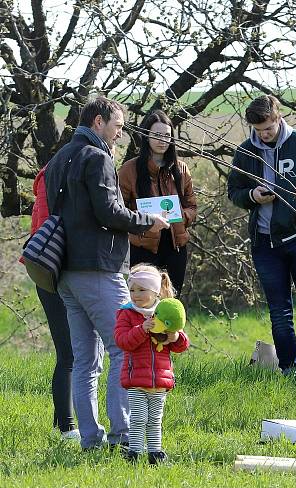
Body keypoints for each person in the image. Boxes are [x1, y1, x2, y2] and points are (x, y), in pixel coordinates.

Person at [45, 96, 170, 450]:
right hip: (98, 269)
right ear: (98, 122)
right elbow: (109, 213)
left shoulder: (58, 158)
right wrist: (149, 220)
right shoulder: (96, 157)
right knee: (123, 349)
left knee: (84, 361)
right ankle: (124, 436)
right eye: (117, 127)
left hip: (66, 272)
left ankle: (91, 440)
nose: (119, 135)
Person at [227, 95, 296, 375]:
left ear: (278, 118)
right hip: (265, 242)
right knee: (279, 312)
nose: (264, 135)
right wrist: (252, 195)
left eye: (268, 128)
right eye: (258, 130)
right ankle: (290, 369)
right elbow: (234, 192)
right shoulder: (244, 152)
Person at [20, 166, 77, 440]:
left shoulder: (54, 174)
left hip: (53, 269)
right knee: (69, 353)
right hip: (52, 269)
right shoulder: (53, 176)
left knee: (70, 353)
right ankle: (67, 427)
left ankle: (61, 423)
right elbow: (46, 223)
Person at [115, 264, 189, 464]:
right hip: (136, 380)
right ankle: (135, 452)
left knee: (155, 420)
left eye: (141, 290)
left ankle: (155, 452)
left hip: (160, 380)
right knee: (138, 419)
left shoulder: (165, 313)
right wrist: (142, 329)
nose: (135, 295)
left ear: (155, 291)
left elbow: (182, 345)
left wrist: (175, 336)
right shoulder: (127, 313)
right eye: (132, 290)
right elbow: (122, 341)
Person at [119, 111, 197, 296]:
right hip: (142, 249)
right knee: (143, 303)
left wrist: (178, 217)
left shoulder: (181, 168)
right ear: (146, 136)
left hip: (175, 247)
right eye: (157, 135)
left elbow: (192, 206)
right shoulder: (129, 169)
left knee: (171, 303)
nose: (163, 141)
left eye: (167, 136)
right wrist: (143, 221)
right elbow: (118, 209)